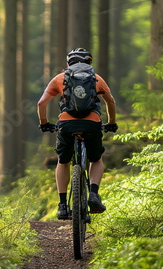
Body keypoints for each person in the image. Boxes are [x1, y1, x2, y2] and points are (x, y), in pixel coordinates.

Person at [37, 48, 117, 219]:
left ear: (68, 63)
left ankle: (62, 205)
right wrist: (111, 123)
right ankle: (93, 194)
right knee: (96, 160)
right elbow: (110, 102)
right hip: (92, 124)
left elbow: (41, 103)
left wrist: (44, 123)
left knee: (63, 161)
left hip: (67, 124)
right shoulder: (96, 78)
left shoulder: (60, 78)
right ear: (89, 62)